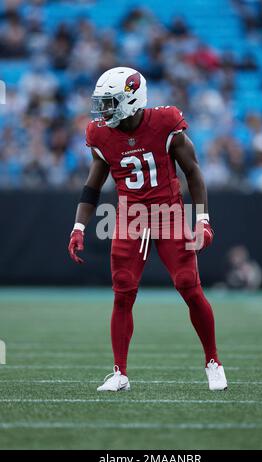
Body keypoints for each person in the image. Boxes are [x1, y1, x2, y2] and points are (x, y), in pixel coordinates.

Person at [68, 67, 227, 392]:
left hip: (168, 212)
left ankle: (213, 361)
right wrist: (78, 226)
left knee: (188, 286)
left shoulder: (165, 121)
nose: (105, 110)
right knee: (123, 292)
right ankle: (120, 373)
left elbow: (193, 173)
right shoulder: (100, 134)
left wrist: (203, 221)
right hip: (130, 216)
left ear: (131, 99)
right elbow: (92, 186)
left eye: (111, 102)